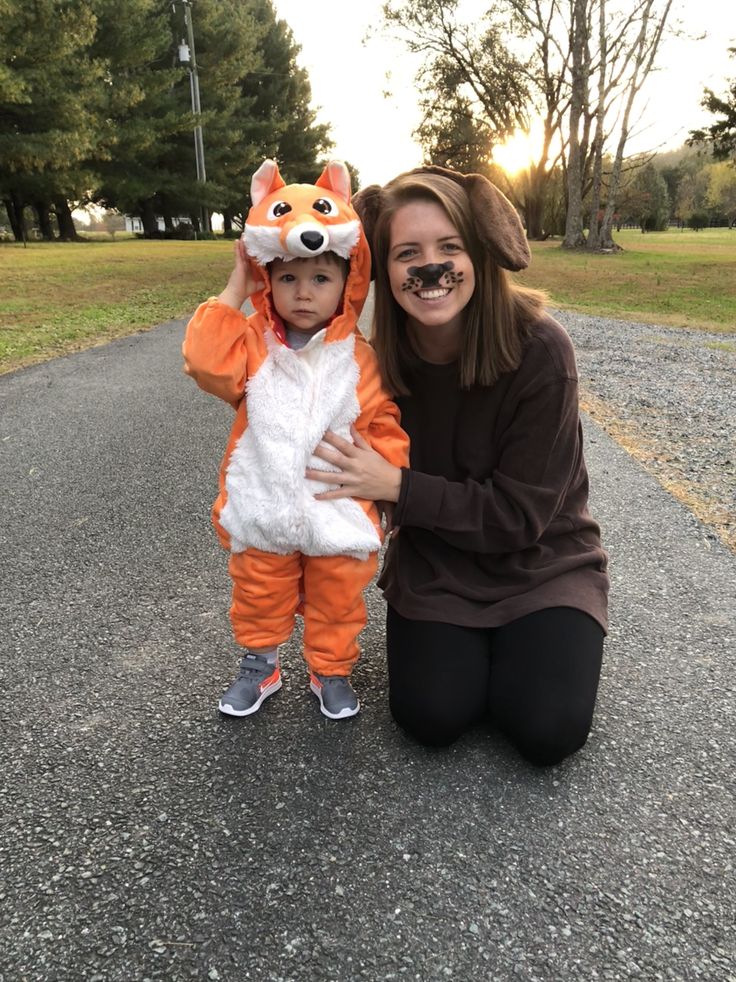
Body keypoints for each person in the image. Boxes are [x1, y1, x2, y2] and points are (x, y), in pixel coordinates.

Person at [306, 165, 609, 764]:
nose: (430, 269)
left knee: (547, 730)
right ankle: (479, 655)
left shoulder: (541, 351)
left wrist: (397, 486)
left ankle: (522, 649)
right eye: (407, 253)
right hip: (439, 565)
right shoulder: (369, 364)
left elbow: (521, 516)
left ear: (480, 253)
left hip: (541, 564)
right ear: (382, 269)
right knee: (431, 716)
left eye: (450, 247)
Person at [183, 159, 409, 721]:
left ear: (348, 282)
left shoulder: (358, 358)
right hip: (264, 501)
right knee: (259, 592)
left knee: (338, 599)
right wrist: (237, 286)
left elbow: (383, 423)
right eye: (287, 277)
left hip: (337, 508)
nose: (303, 292)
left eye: (320, 278)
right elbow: (204, 361)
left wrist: (383, 490)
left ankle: (330, 669)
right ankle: (260, 665)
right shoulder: (255, 346)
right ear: (269, 281)